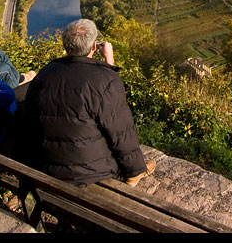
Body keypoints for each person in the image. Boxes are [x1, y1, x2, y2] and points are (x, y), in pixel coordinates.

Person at [22, 19, 155, 187]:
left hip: (44, 164)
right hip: (88, 174)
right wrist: (135, 170)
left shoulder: (45, 72)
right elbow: (121, 132)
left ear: (66, 45)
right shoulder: (105, 80)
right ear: (93, 47)